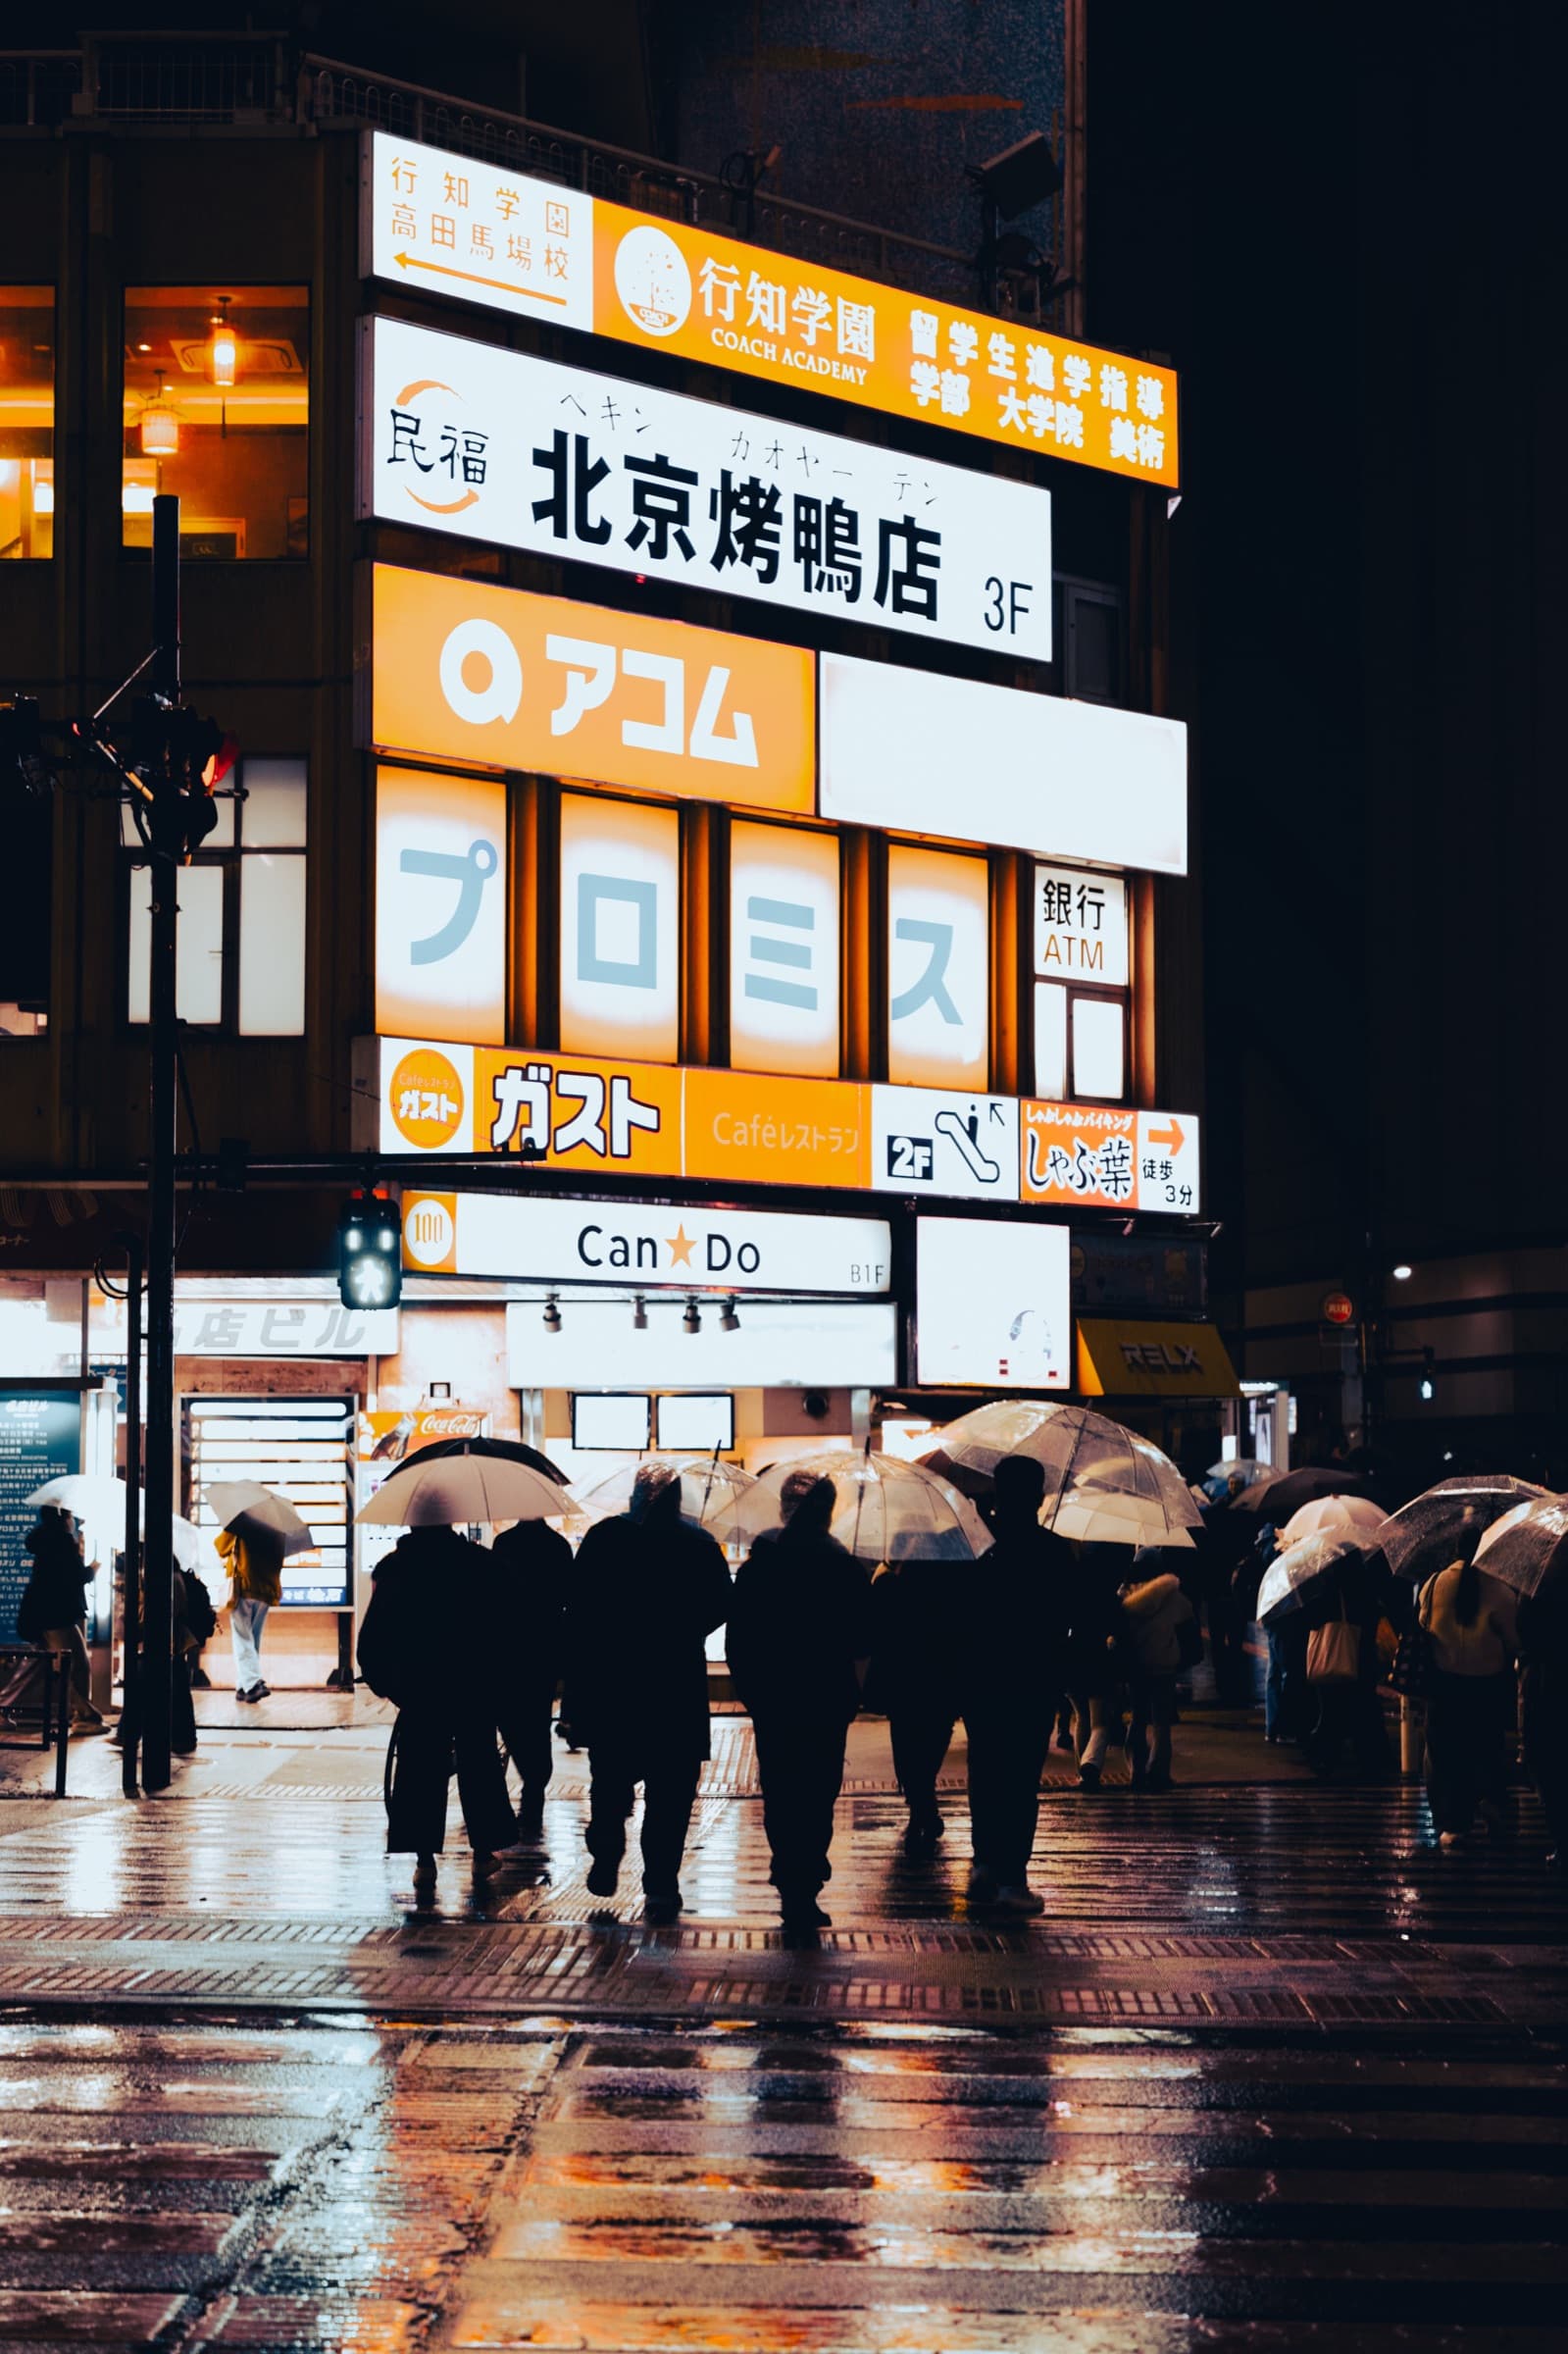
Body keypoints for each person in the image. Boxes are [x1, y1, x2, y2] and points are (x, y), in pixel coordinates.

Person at [562, 1466, 732, 1923]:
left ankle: (606, 1847)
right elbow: (721, 1606)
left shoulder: (604, 1539)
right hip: (675, 1685)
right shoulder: (697, 1543)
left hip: (613, 1685)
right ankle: (660, 1885)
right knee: (671, 1795)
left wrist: (574, 1699)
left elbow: (577, 1616)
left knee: (611, 1781)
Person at [728, 1471, 874, 1931]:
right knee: (817, 1791)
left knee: (782, 1788)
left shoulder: (761, 1565)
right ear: (828, 1511)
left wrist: (753, 1694)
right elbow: (862, 1639)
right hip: (826, 1697)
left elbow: (739, 1641)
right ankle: (805, 1878)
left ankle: (789, 1869)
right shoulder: (844, 1567)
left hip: (775, 1698)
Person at [357, 1522, 519, 1898]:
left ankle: (424, 1861)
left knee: (419, 1769)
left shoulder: (397, 1568)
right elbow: (508, 1629)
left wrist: (392, 1687)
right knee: (479, 1763)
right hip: (472, 1684)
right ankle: (483, 1852)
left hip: (420, 1689)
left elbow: (373, 1640)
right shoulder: (482, 1564)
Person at [959, 1454, 1073, 1915]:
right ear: (1041, 1497)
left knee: (984, 1770)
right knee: (1021, 1779)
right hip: (1032, 1676)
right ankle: (1012, 1877)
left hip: (981, 1676)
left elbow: (959, 1613)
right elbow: (1071, 1612)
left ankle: (984, 1862)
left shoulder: (977, 1546)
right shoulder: (1053, 1551)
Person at [867, 1530, 964, 1856]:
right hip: (940, 1682)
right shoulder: (949, 1591)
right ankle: (924, 1807)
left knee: (908, 1747)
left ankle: (922, 1808)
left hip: (903, 1683)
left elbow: (877, 1633)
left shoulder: (890, 1585)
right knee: (932, 1745)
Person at [1418, 1544, 1520, 1849]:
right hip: (1486, 1688)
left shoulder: (1434, 1583)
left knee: (1444, 1755)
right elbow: (1514, 1639)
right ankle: (1491, 1804)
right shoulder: (1498, 1588)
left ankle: (1454, 1823)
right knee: (1487, 1750)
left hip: (1443, 1686)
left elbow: (1423, 1623)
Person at [488, 1512, 573, 1839]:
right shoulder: (558, 1546)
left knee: (508, 1716)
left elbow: (493, 1597)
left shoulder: (504, 1544)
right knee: (538, 1717)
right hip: (545, 1648)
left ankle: (532, 1775)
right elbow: (569, 1597)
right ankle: (536, 1781)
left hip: (508, 1646)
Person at [0, 1509, 101, 1726]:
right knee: (74, 1665)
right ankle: (83, 1715)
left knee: (45, 1667)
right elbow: (74, 1576)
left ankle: (82, 1713)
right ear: (63, 1519)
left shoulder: (46, 1540)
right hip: (57, 1616)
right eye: (70, 1517)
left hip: (43, 1615)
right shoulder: (62, 1542)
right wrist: (92, 1569)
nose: (73, 1521)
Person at [1117, 1558, 1194, 1789]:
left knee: (1138, 1719)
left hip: (1136, 1666)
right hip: (1164, 1665)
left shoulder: (1124, 1594)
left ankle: (1136, 1772)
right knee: (1161, 1723)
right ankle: (1159, 1772)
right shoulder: (1171, 1594)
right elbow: (1187, 1616)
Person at [1518, 1574, 1568, 1871]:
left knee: (1552, 1769)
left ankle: (1563, 1844)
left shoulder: (1537, 1584)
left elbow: (1523, 1629)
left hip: (1548, 1686)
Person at [216, 1513, 283, 1701]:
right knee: (253, 1638)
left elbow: (221, 1548)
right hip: (266, 1590)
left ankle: (253, 1684)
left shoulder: (240, 1522)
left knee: (242, 1637)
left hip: (244, 1588)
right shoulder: (277, 1527)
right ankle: (243, 1686)